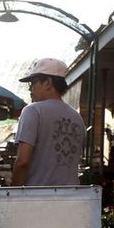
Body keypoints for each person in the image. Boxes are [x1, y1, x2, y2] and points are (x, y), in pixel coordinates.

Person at [11, 58, 85, 186]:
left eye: (33, 83)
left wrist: (13, 194)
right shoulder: (77, 118)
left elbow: (23, 161)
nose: (30, 89)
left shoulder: (32, 111)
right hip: (72, 199)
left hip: (39, 198)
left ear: (47, 83)